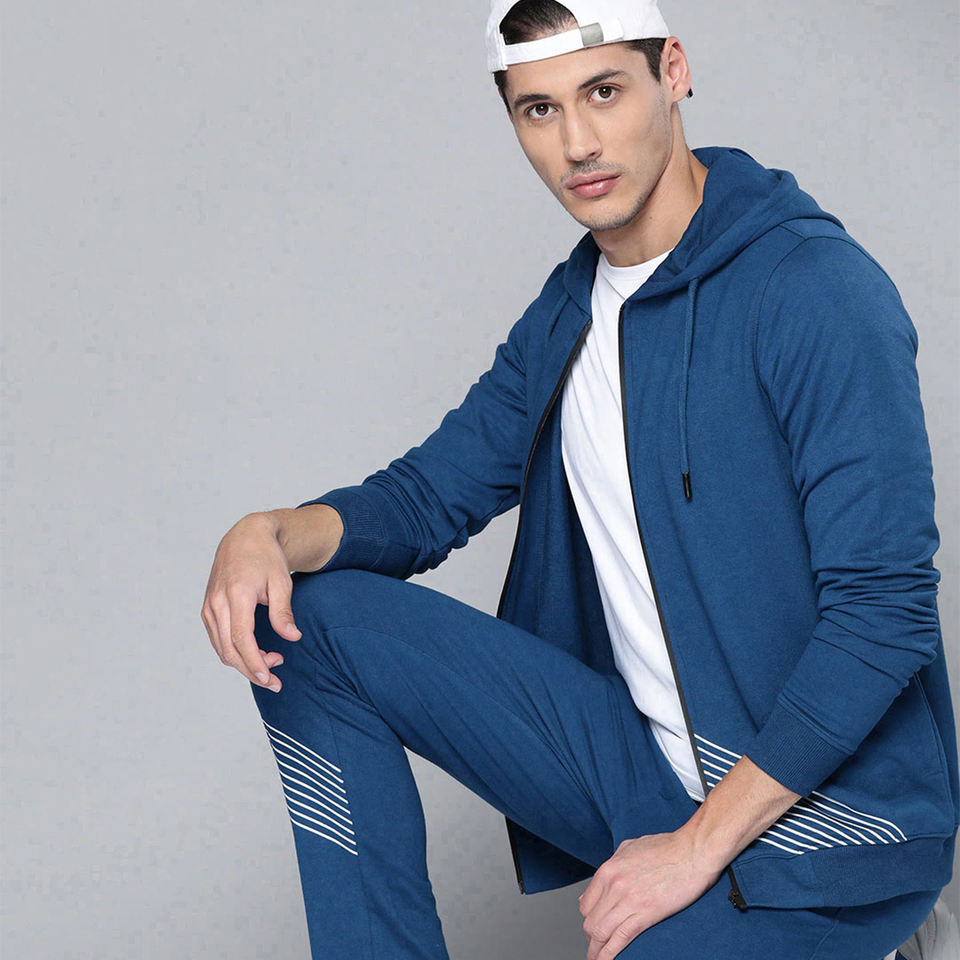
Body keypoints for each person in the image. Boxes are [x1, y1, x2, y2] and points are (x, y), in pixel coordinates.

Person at [200, 2, 958, 957]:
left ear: (672, 72)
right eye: (540, 109)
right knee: (306, 620)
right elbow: (425, 499)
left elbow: (883, 615)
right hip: (636, 767)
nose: (578, 144)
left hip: (821, 821)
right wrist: (265, 532)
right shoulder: (570, 315)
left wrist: (693, 850)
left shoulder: (813, 290)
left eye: (604, 92)